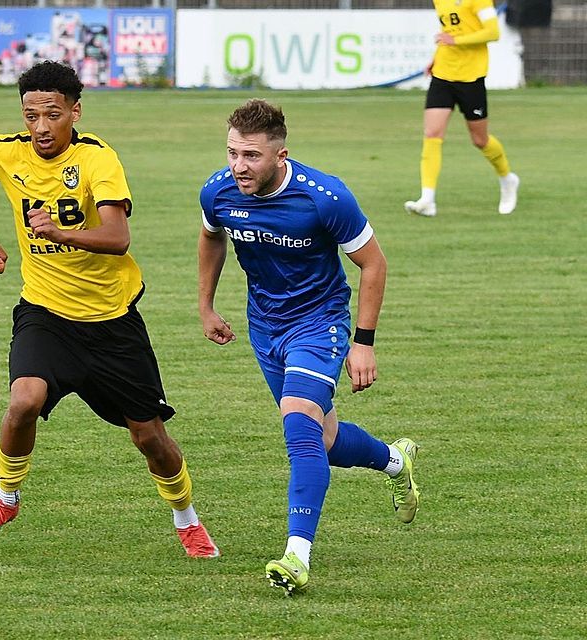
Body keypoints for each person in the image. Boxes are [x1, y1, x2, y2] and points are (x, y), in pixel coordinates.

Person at [0, 60, 219, 558]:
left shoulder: (98, 160)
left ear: (74, 112)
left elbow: (118, 239)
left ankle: (187, 518)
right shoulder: (4, 152)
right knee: (23, 401)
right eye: (30, 115)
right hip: (45, 315)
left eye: (51, 114)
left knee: (150, 438)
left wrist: (59, 233)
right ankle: (4, 498)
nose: (39, 127)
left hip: (111, 323)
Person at [197, 100, 420, 594]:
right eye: (233, 153)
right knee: (323, 439)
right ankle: (395, 461)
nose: (239, 166)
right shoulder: (218, 192)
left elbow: (374, 264)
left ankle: (297, 555)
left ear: (281, 155)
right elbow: (211, 236)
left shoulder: (325, 197)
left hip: (319, 326)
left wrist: (363, 344)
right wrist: (206, 305)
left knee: (298, 430)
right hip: (264, 329)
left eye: (251, 155)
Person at [405, 0, 520, 217]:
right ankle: (427, 200)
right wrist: (435, 58)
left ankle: (507, 179)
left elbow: (493, 32)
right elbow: (447, 30)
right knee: (432, 134)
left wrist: (456, 40)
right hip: (443, 74)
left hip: (471, 78)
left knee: (480, 140)